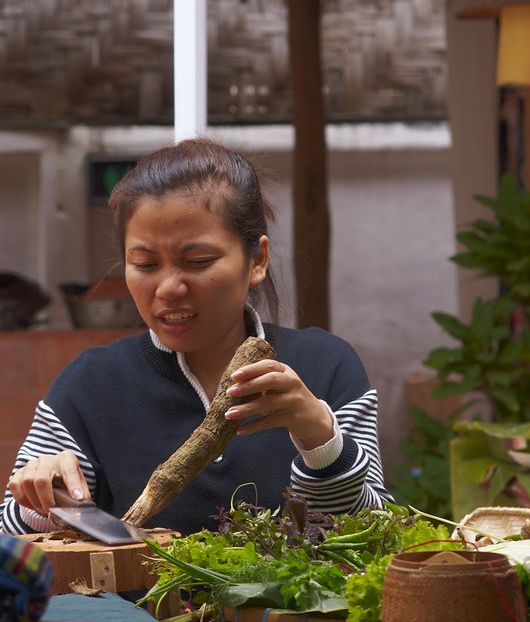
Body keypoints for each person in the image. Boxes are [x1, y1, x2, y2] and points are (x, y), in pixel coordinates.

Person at [1, 137, 392, 537]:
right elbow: (9, 535)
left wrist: (321, 439)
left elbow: (375, 531)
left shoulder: (326, 367)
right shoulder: (89, 386)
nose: (169, 287)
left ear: (257, 260)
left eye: (198, 261)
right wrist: (40, 499)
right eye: (145, 264)